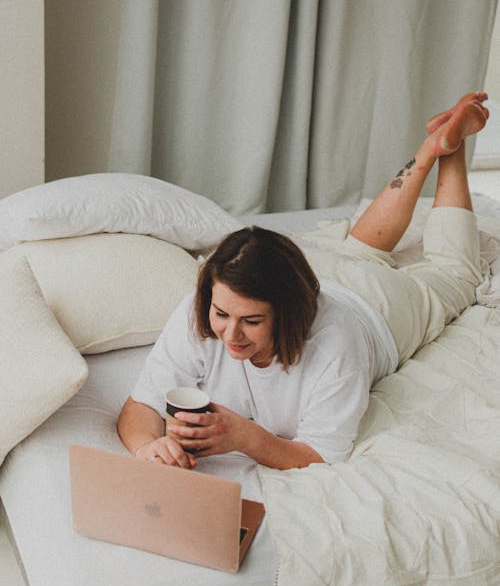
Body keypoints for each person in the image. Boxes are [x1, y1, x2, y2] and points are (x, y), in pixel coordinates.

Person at [117, 92, 489, 470]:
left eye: (252, 321)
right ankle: (429, 149)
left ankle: (450, 152)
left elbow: (321, 454)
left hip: (377, 308)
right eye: (222, 315)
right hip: (324, 270)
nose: (231, 335)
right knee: (359, 250)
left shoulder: (334, 344)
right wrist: (147, 447)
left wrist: (244, 435)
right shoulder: (205, 307)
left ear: (287, 312)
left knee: (453, 276)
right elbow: (139, 407)